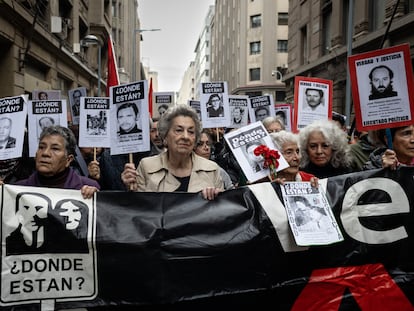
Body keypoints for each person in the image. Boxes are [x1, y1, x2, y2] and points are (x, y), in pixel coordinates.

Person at [121, 104, 224, 200]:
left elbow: (220, 213)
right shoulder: (146, 167)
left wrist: (217, 199)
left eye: (191, 132)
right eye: (179, 130)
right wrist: (131, 189)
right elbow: (139, 211)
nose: (185, 137)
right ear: (165, 135)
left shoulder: (212, 169)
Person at [13, 125, 100, 199]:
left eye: (55, 149)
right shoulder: (17, 190)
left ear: (68, 160)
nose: (45, 153)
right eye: (41, 147)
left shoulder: (88, 188)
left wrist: (96, 198)